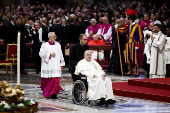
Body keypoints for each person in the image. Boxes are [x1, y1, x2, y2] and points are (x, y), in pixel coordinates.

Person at [118, 9, 143, 76]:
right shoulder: (129, 26)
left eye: (129, 19)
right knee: (128, 57)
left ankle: (136, 71)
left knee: (134, 57)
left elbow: (139, 36)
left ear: (131, 19)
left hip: (134, 43)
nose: (128, 20)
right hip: (128, 42)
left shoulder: (137, 26)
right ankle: (130, 71)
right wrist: (118, 28)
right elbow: (124, 31)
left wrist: (137, 44)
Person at [39, 32, 65, 99]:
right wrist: (50, 54)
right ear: (49, 37)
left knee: (55, 80)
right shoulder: (44, 45)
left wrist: (61, 64)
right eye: (53, 37)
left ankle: (54, 93)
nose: (55, 38)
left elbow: (60, 54)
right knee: (49, 80)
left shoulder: (58, 45)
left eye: (55, 37)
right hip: (48, 65)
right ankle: (47, 93)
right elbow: (41, 54)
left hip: (56, 65)